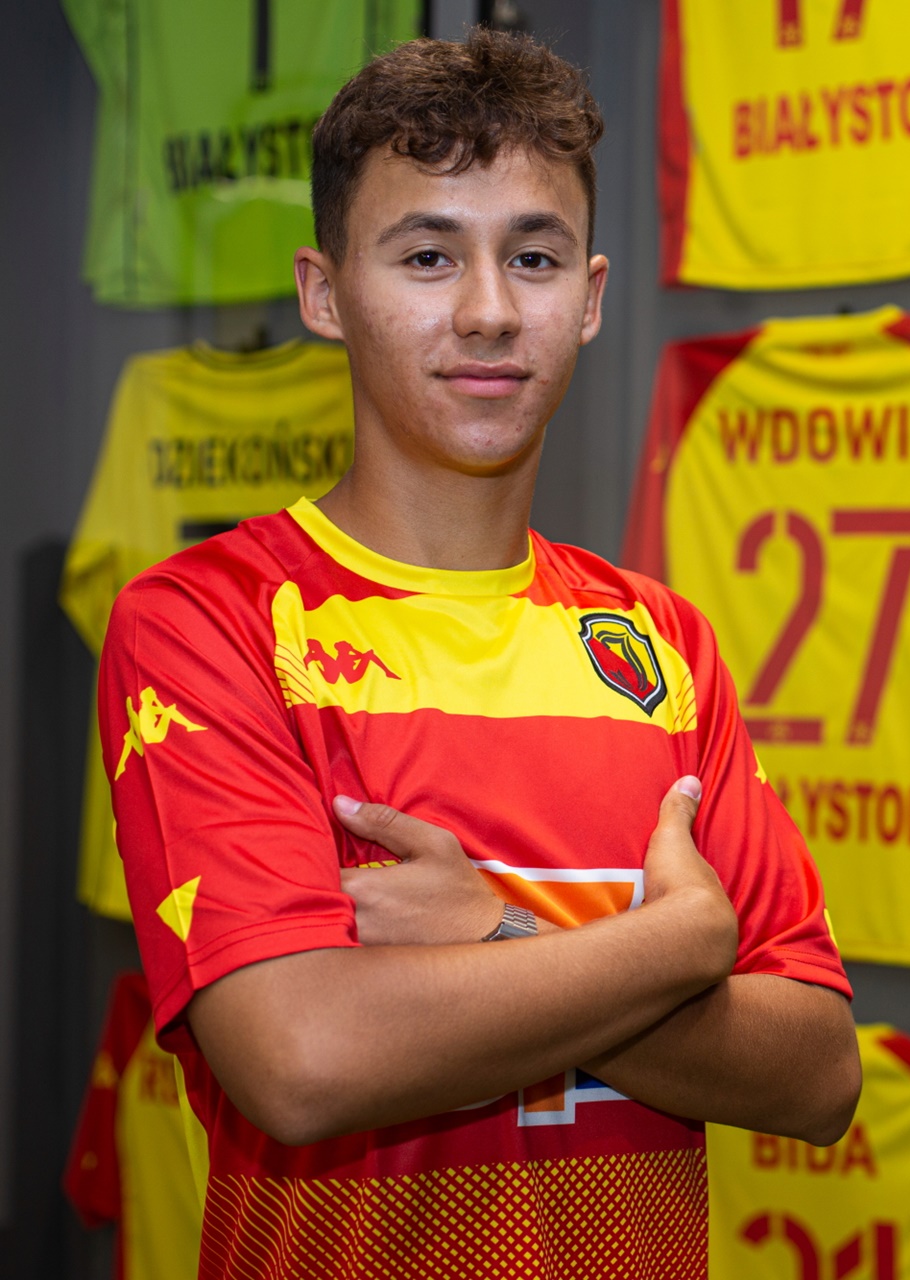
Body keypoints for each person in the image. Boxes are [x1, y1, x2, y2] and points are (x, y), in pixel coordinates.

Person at [97, 29, 860, 1279]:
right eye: (429, 255)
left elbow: (819, 1073)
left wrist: (494, 934)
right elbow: (301, 1057)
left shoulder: (662, 642)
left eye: (535, 257)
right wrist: (672, 944)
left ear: (592, 298)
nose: (491, 311)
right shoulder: (210, 619)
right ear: (323, 292)